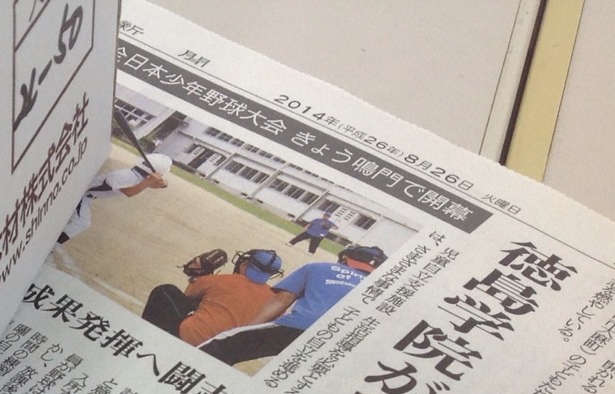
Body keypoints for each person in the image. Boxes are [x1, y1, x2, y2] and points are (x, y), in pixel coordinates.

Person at [201, 244, 386, 365]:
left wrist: (247, 329)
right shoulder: (380, 288)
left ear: (345, 259)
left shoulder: (318, 267)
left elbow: (282, 300)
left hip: (297, 327)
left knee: (220, 348)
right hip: (338, 344)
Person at [141, 249, 286, 345]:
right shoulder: (275, 300)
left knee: (165, 291)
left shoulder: (220, 280)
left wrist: (199, 276)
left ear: (245, 264)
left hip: (188, 337)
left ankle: (144, 337)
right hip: (219, 354)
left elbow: (186, 298)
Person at [55, 152, 173, 242]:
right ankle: (52, 245)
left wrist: (163, 184)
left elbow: (150, 185)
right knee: (82, 222)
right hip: (81, 194)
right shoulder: (127, 176)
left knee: (78, 221)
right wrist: (149, 181)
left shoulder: (136, 175)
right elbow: (130, 192)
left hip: (86, 195)